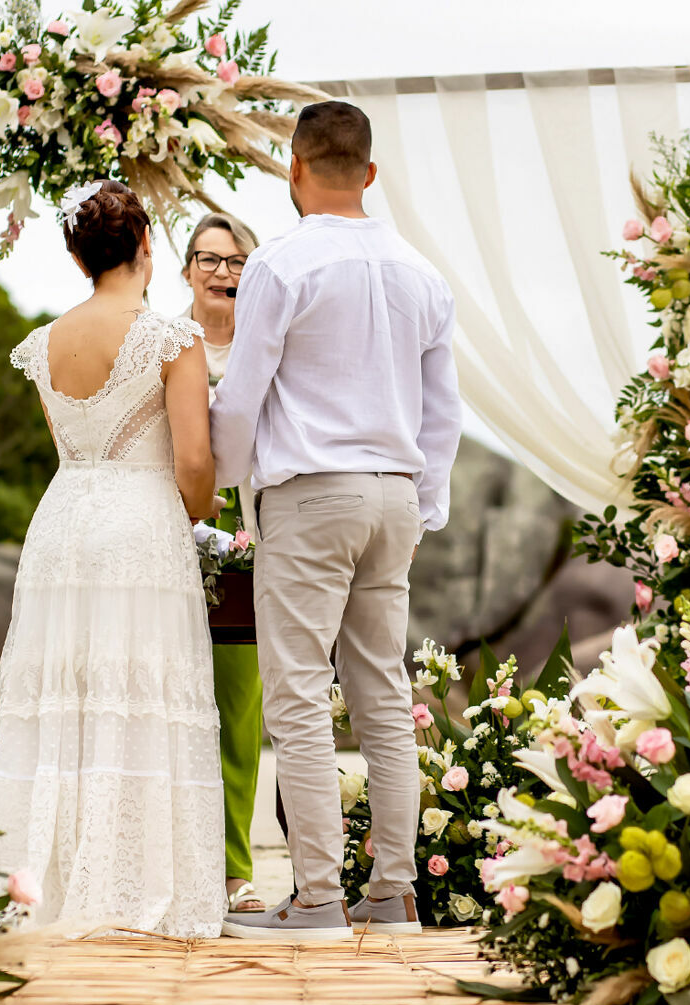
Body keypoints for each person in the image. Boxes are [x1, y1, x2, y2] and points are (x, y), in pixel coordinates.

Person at [212, 102, 463, 940]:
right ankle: (392, 896)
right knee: (383, 699)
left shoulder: (280, 264)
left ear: (292, 167)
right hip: (394, 493)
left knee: (295, 696)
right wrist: (422, 506)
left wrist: (212, 479)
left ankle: (316, 897)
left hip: (312, 492)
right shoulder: (421, 273)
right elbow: (443, 412)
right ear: (370, 172)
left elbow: (242, 394)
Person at [0, 179, 225, 938]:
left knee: (71, 696)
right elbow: (193, 460)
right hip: (141, 525)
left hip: (62, 524)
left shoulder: (44, 342)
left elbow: (69, 449)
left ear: (74, 253)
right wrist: (203, 511)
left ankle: (47, 886)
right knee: (140, 692)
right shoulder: (168, 337)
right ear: (147, 246)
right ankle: (136, 890)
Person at [183, 212, 268, 915]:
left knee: (237, 715)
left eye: (238, 262)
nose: (222, 272)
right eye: (209, 259)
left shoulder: (269, 352)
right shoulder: (161, 345)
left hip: (246, 552)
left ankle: (234, 867)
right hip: (165, 541)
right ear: (185, 270)